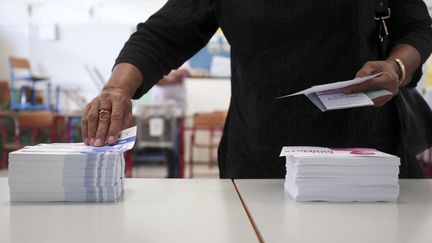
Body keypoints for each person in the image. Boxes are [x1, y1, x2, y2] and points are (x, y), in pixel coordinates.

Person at [81, 0, 432, 179]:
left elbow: (417, 26)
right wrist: (117, 88)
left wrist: (396, 67)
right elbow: (163, 34)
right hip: (260, 162)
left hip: (368, 158)